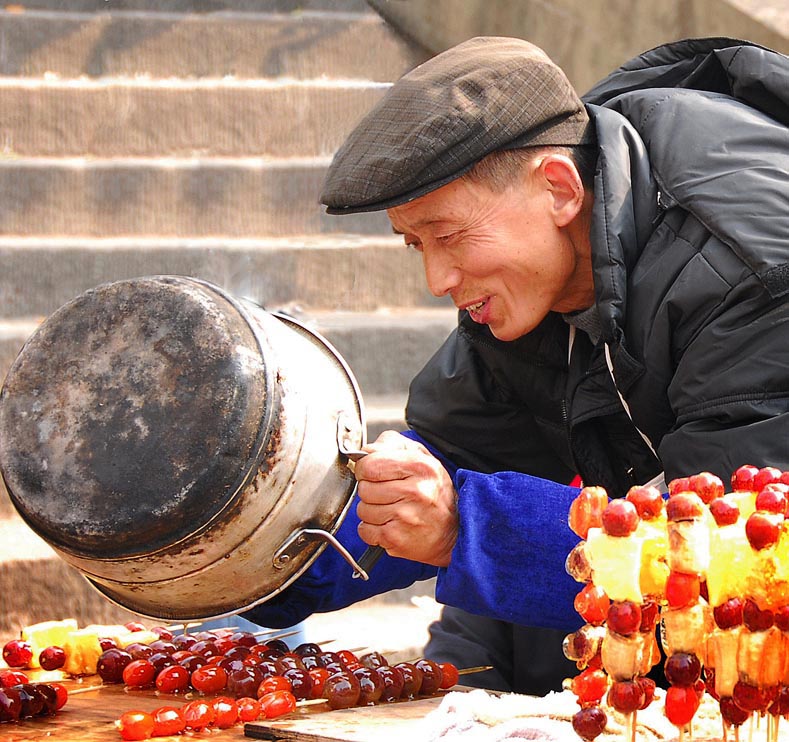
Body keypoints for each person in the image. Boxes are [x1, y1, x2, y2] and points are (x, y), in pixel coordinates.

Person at [243, 35, 789, 695]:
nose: (436, 278)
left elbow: (737, 565)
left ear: (557, 188)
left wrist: (462, 526)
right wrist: (238, 547)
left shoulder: (751, 264)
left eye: (447, 236)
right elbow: (445, 456)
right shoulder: (533, 283)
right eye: (413, 242)